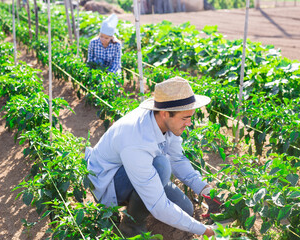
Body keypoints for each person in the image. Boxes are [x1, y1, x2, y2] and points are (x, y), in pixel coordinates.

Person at [85, 77, 217, 238]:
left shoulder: (168, 124)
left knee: (185, 209)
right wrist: (206, 230)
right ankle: (130, 228)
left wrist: (206, 191)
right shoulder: (137, 139)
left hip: (136, 170)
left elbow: (177, 159)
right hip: (108, 182)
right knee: (161, 165)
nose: (189, 123)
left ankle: (137, 205)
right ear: (165, 114)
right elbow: (158, 206)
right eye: (185, 118)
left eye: (190, 117)